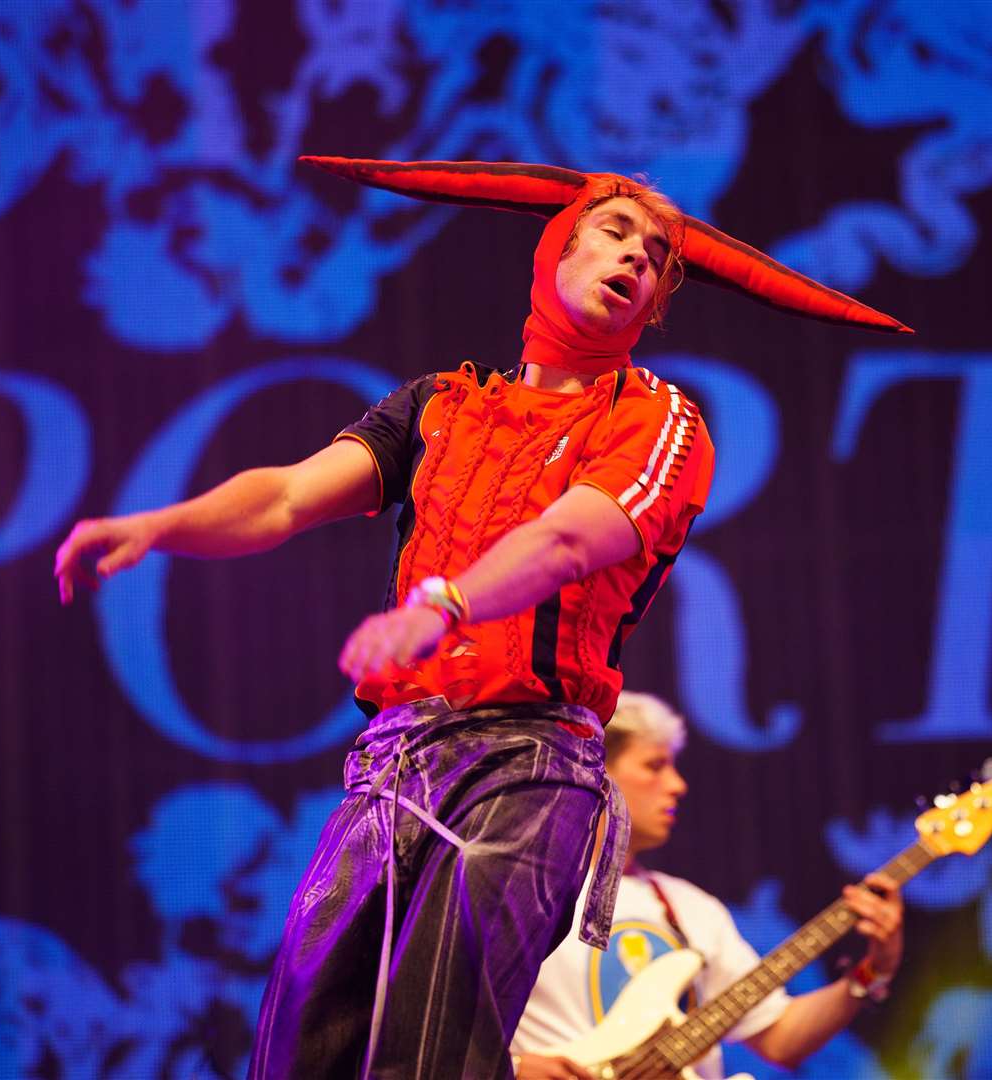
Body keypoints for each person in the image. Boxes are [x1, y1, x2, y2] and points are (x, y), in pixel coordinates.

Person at [54, 157, 907, 1079]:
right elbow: (288, 497)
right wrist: (159, 525)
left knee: (427, 1052)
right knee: (304, 1048)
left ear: (657, 300)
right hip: (391, 765)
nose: (637, 257)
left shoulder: (658, 420)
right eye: (616, 232)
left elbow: (572, 539)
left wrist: (445, 604)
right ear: (556, 249)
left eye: (659, 257)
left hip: (529, 764)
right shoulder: (440, 408)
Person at [512, 691, 905, 1080]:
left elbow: (781, 1040)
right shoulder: (517, 892)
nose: (677, 785)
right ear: (594, 772)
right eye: (655, 765)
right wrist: (510, 1068)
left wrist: (873, 971)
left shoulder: (692, 908)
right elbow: (453, 1017)